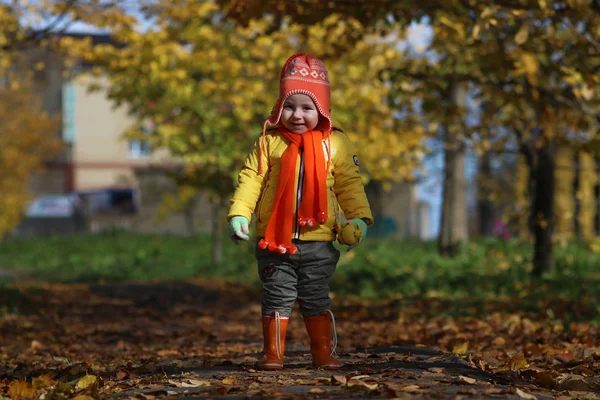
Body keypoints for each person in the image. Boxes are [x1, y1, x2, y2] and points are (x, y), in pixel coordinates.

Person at [227, 53, 373, 370]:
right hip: (275, 240)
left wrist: (358, 217)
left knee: (315, 297)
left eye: (307, 108)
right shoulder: (268, 142)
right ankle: (273, 354)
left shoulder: (336, 143)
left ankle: (322, 352)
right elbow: (251, 178)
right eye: (289, 106)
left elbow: (349, 183)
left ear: (321, 110)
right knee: (276, 296)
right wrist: (240, 213)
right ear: (280, 107)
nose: (297, 115)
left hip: (319, 239)